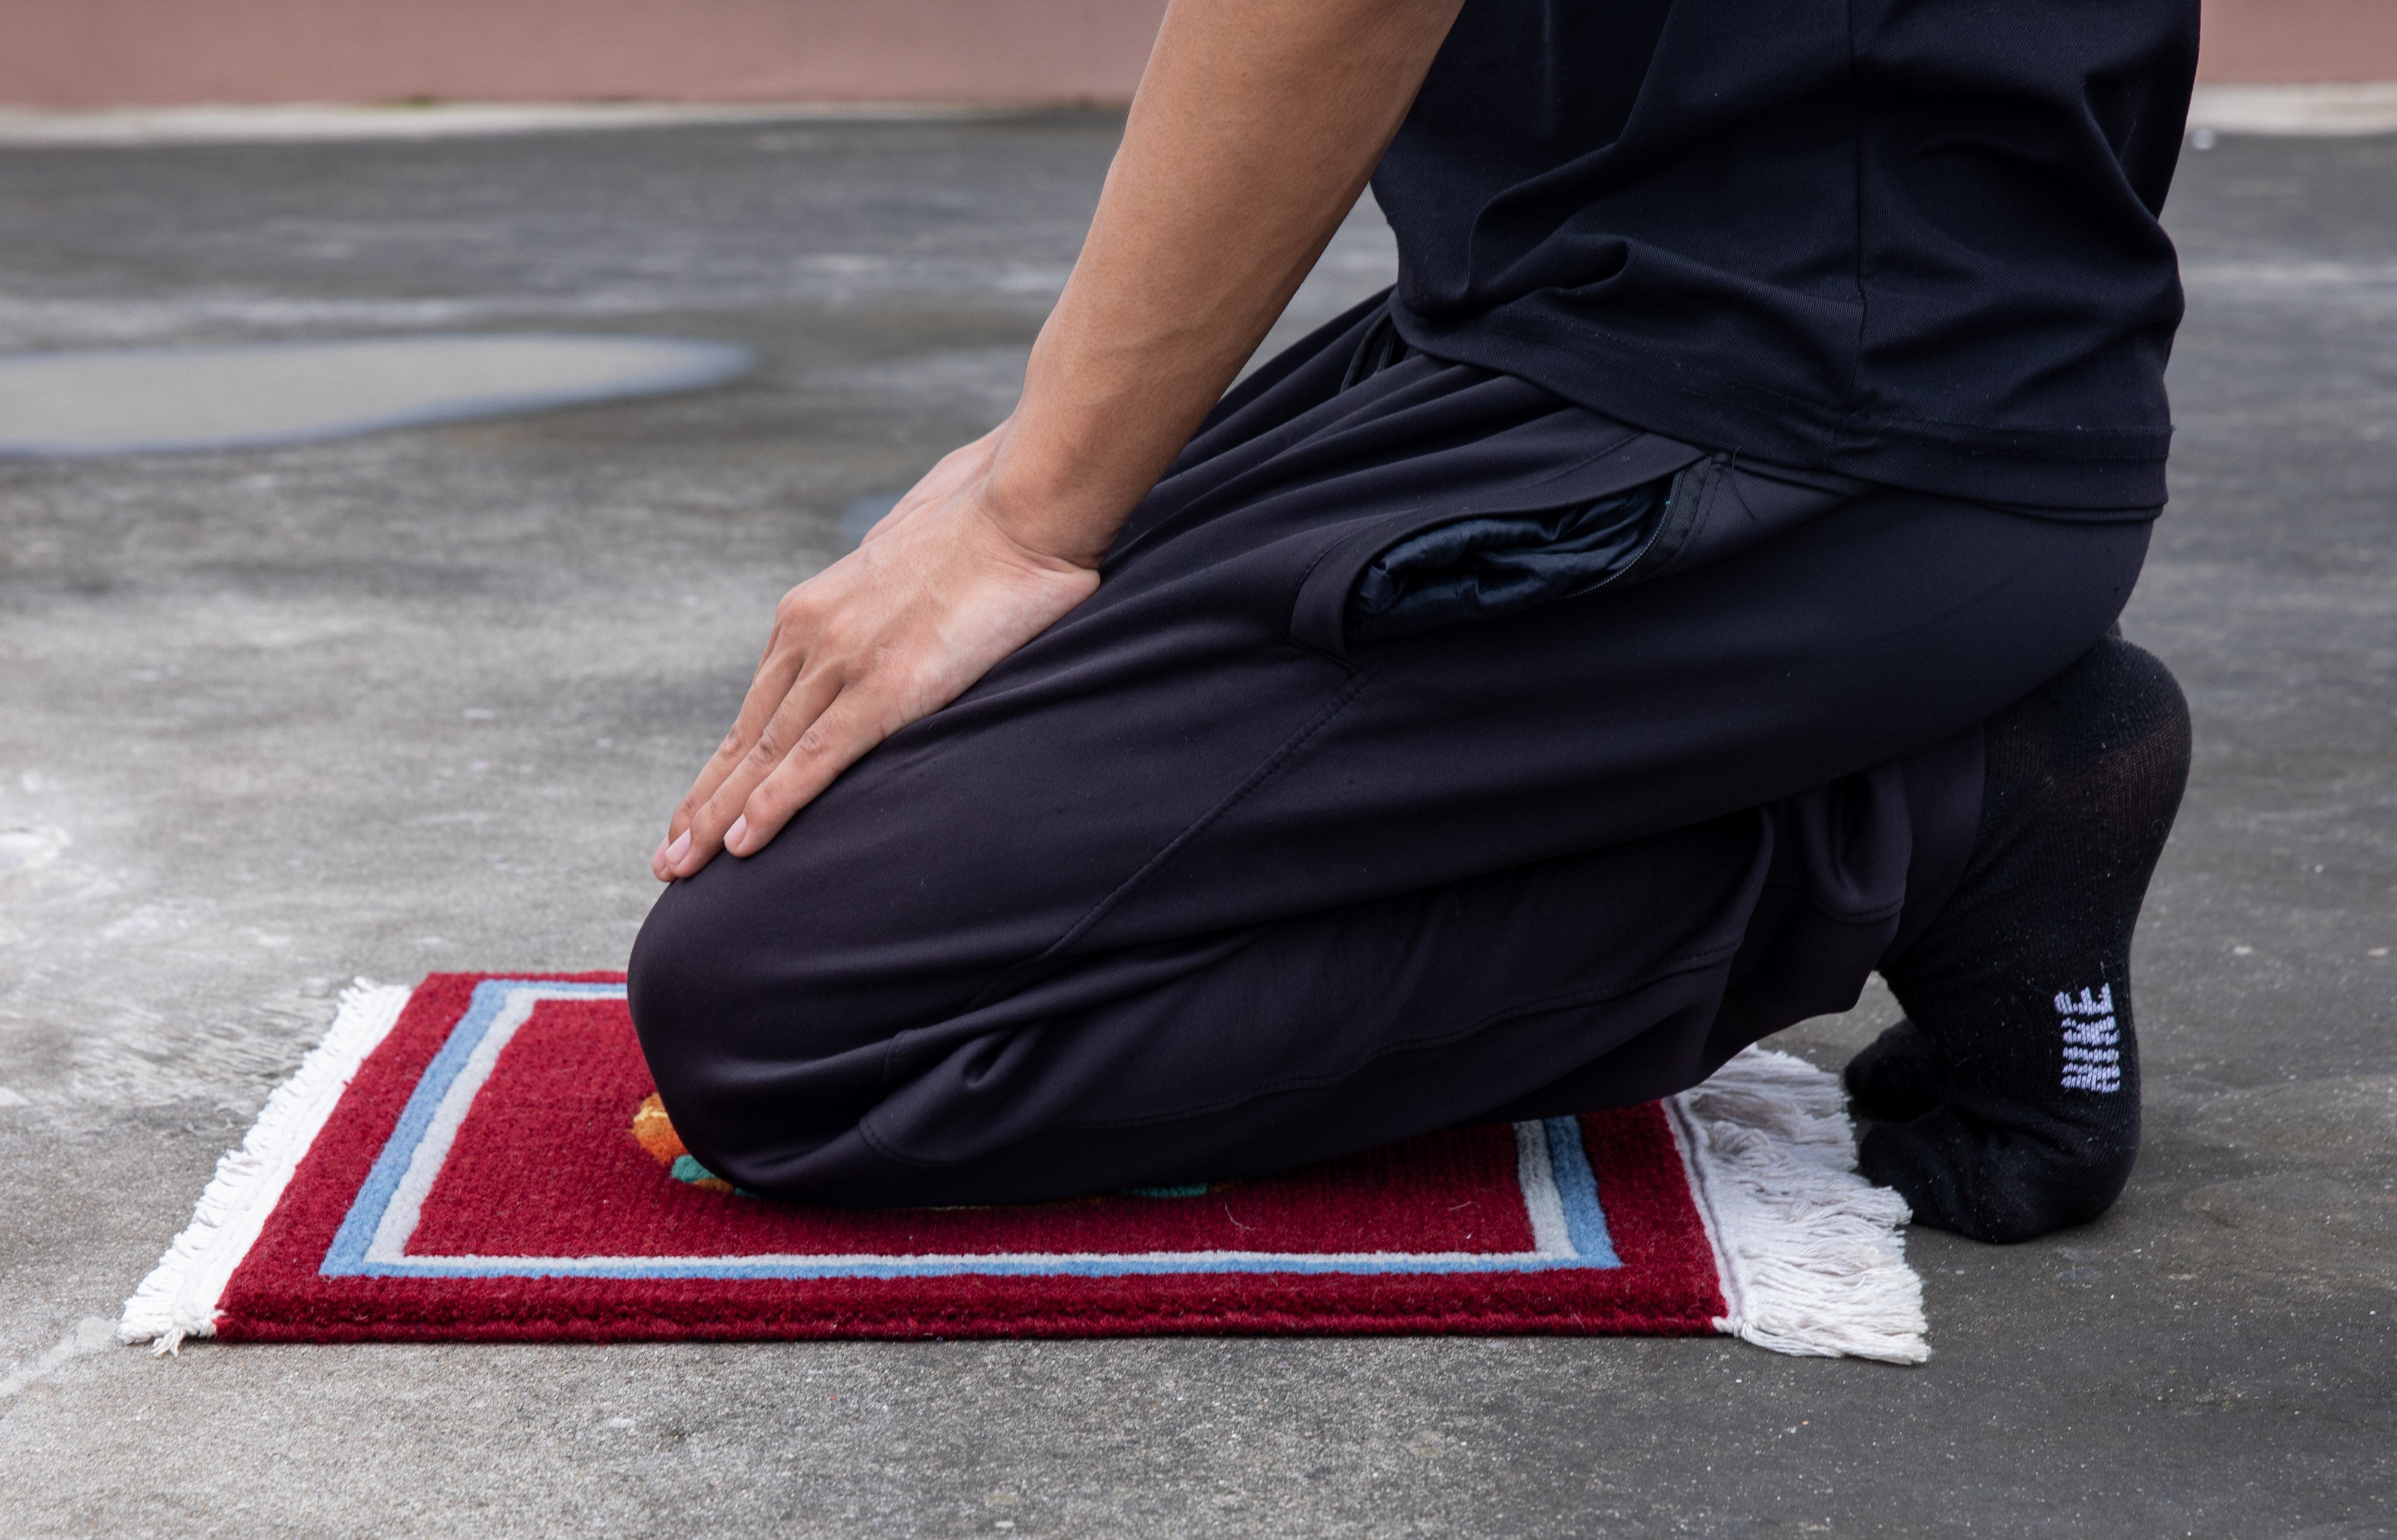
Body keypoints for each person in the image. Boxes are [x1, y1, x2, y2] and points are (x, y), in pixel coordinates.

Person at [628, 0, 2197, 1244]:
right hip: (1627, 328)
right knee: (885, 832)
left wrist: (1036, 506)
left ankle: (1937, 817)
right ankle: (1900, 754)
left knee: (792, 1030)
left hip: (1811, 421)